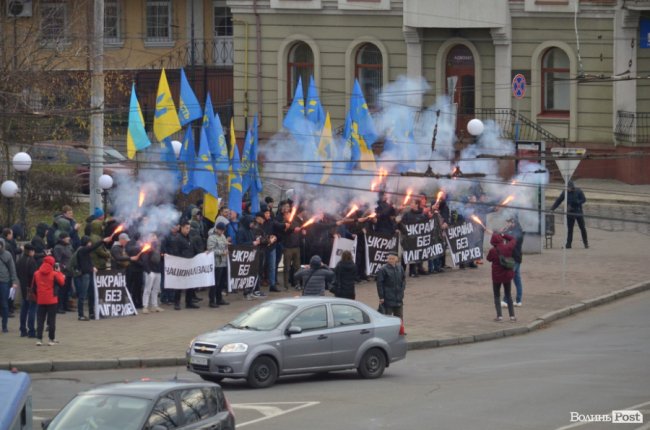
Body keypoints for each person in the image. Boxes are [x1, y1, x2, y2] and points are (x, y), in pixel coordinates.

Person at [34, 256, 66, 346]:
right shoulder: (54, 274)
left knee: (40, 320)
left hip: (40, 299)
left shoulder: (36, 273)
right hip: (52, 299)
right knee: (52, 320)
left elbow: (33, 287)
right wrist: (59, 272)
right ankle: (51, 339)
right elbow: (62, 283)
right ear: (52, 263)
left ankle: (39, 339)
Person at [486, 232, 517, 322]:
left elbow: (488, 259)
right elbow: (513, 239)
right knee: (508, 295)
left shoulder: (492, 250)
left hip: (496, 277)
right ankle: (512, 316)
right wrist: (504, 235)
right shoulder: (508, 247)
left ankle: (499, 316)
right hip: (507, 276)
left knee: (497, 296)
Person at [551, 180, 588, 249]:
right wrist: (552, 208)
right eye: (567, 188)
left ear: (572, 187)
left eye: (569, 188)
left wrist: (577, 202)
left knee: (582, 228)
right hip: (570, 212)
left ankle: (585, 243)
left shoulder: (578, 191)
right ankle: (568, 244)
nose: (568, 189)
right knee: (570, 229)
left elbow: (584, 199)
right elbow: (559, 200)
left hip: (578, 212)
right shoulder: (565, 192)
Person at [206, 222, 230, 307]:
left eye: (223, 230)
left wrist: (227, 244)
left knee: (221, 283)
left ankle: (219, 299)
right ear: (217, 229)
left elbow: (224, 245)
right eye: (220, 230)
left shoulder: (223, 236)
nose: (222, 232)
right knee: (215, 283)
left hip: (223, 262)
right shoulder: (211, 238)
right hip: (216, 263)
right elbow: (210, 250)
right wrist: (222, 253)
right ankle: (212, 301)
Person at [502, 216, 524, 307]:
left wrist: (503, 234)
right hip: (514, 258)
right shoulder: (510, 230)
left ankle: (506, 300)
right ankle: (518, 301)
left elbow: (511, 239)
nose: (507, 224)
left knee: (508, 278)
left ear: (513, 223)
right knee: (517, 280)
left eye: (509, 222)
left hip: (514, 258)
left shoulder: (517, 232)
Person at [376, 252, 406, 318]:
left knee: (399, 318)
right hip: (388, 299)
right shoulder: (383, 270)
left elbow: (403, 279)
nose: (390, 260)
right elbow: (379, 284)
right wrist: (381, 297)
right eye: (389, 259)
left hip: (399, 299)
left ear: (396, 259)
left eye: (392, 259)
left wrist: (402, 288)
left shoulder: (400, 268)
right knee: (387, 318)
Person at [16, 244, 38, 337]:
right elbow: (34, 276)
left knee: (24, 309)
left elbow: (18, 273)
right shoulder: (32, 261)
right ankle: (31, 331)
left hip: (23, 287)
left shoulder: (19, 260)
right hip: (31, 288)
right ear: (31, 251)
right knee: (32, 309)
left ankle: (22, 329)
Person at [140, 233, 164, 314]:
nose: (154, 238)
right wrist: (148, 271)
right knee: (147, 289)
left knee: (156, 289)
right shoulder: (147, 247)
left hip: (158, 271)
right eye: (152, 237)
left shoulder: (159, 247)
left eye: (155, 237)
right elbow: (144, 259)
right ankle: (145, 306)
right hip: (150, 271)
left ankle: (154, 306)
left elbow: (161, 258)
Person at [0, 238, 19, 333]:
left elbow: (12, 269)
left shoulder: (7, 255)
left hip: (4, 282)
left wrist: (14, 281)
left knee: (4, 304)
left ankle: (4, 326)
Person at [52, 232, 74, 314]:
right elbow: (57, 260)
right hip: (62, 272)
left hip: (69, 271)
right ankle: (59, 307)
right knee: (61, 290)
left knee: (67, 290)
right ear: (63, 238)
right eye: (67, 238)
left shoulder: (69, 246)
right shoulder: (58, 247)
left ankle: (65, 305)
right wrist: (62, 269)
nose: (68, 239)